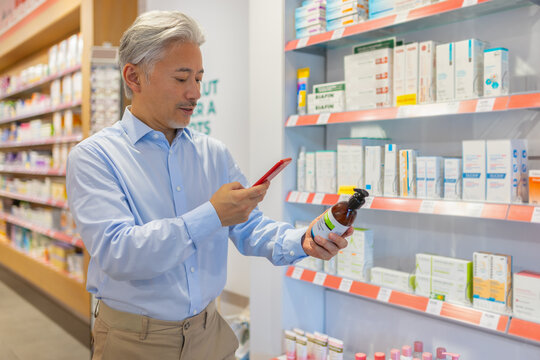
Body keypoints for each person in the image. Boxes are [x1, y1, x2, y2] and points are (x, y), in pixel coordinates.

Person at [66, 10, 351, 360]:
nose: (195, 93)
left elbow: (249, 227)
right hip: (134, 340)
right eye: (182, 78)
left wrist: (302, 240)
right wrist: (213, 215)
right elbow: (120, 254)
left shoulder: (213, 154)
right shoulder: (94, 157)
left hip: (209, 332)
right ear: (134, 77)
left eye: (199, 79)